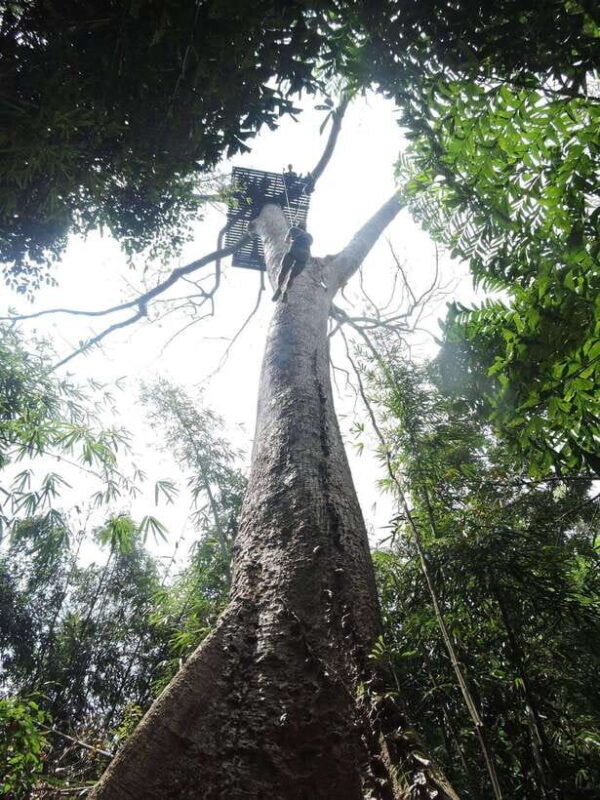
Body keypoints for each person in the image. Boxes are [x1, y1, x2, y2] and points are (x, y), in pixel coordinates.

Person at [272, 223, 313, 301]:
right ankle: (286, 292)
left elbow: (286, 241)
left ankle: (279, 288)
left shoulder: (293, 229)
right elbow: (307, 244)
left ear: (298, 226)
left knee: (283, 272)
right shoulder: (310, 236)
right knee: (292, 277)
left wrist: (292, 241)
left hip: (294, 251)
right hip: (304, 256)